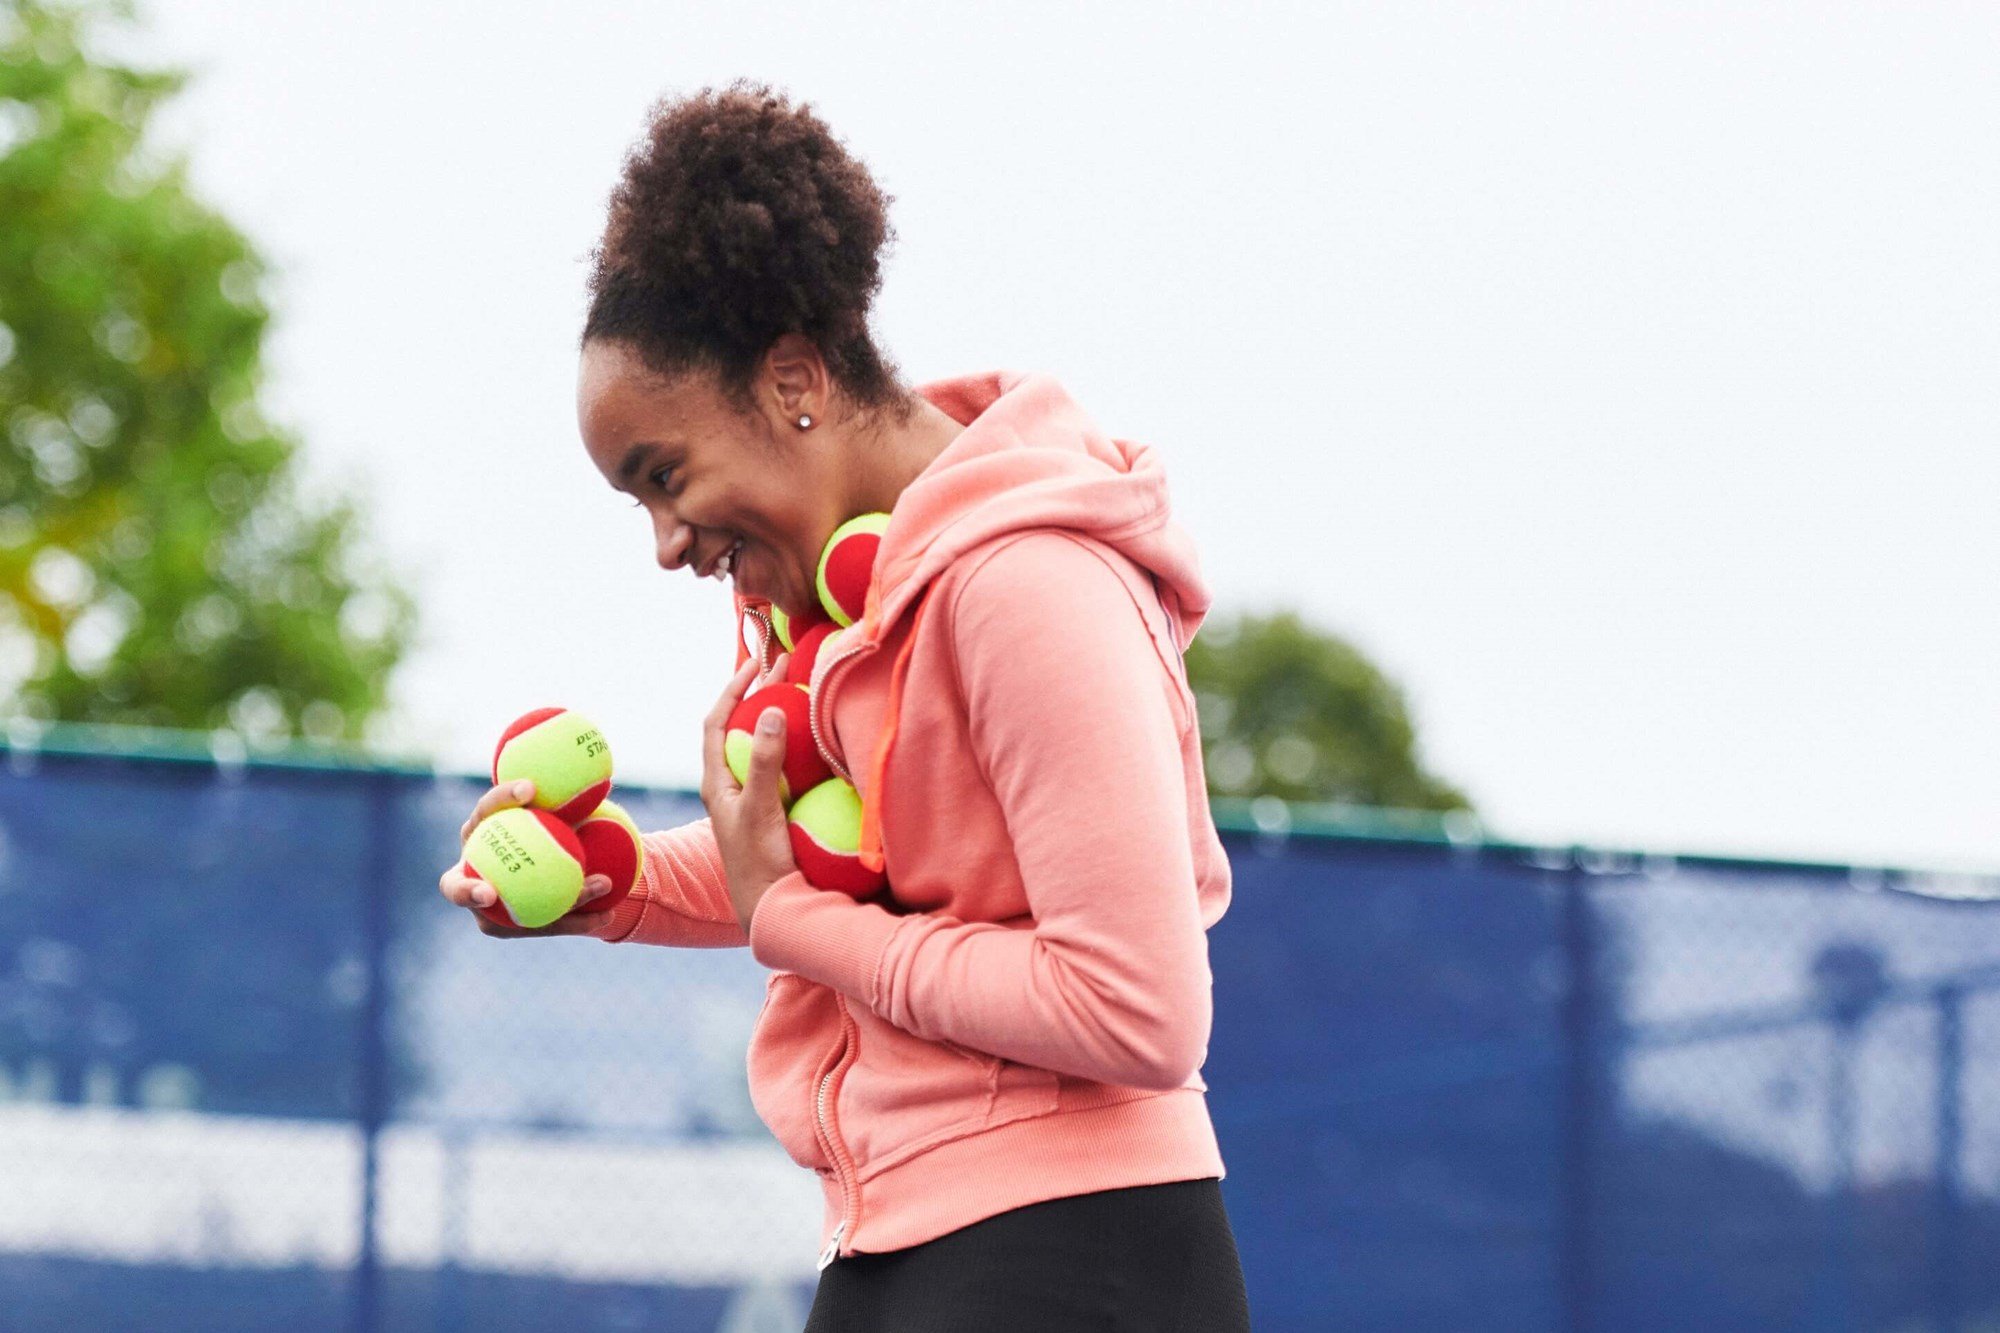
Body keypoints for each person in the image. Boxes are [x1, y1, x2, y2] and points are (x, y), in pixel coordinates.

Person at [437, 79, 1252, 1331]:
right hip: (895, 1243)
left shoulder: (1026, 581)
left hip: (1075, 1255)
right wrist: (613, 881)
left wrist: (798, 930)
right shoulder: (834, 603)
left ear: (793, 380)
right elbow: (838, 871)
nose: (663, 541)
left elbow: (1133, 1004)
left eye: (666, 475)